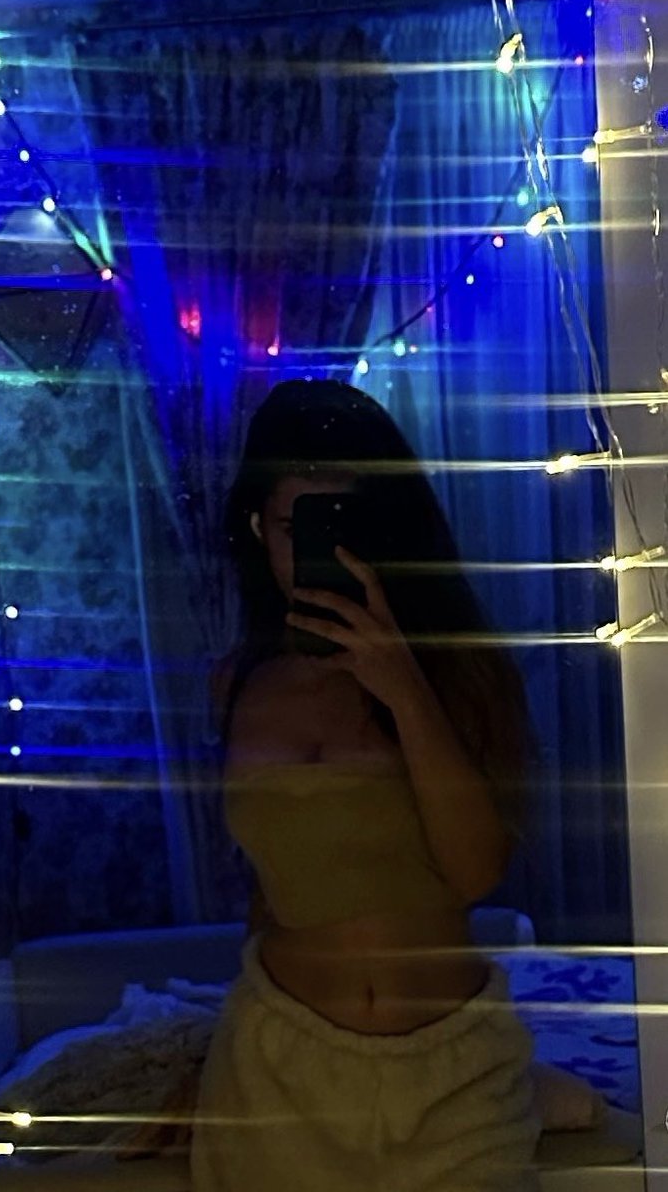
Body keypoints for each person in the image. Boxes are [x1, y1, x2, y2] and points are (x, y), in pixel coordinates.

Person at [189, 379, 542, 1191]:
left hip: (451, 1076)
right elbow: (275, 882)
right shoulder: (236, 683)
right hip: (276, 1070)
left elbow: (475, 873)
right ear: (259, 529)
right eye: (296, 528)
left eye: (346, 525)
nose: (322, 552)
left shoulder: (457, 671)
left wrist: (401, 686)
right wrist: (202, 1071)